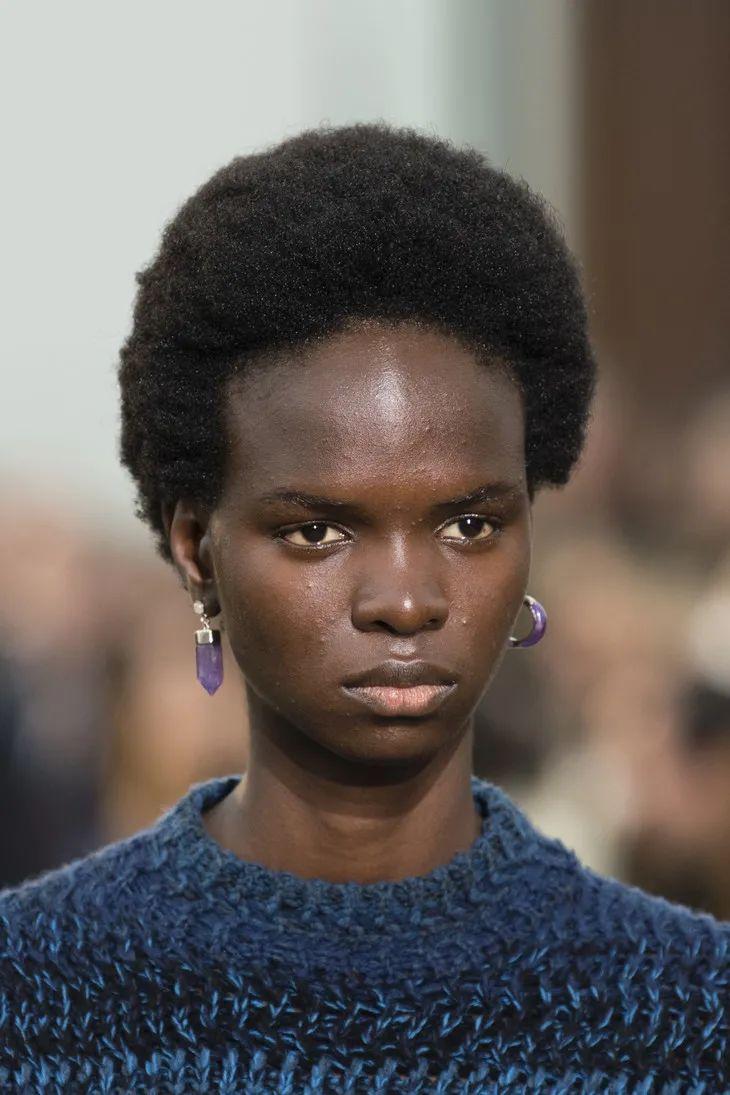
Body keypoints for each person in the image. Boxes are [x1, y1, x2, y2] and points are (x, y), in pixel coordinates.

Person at [0, 122, 726, 1093]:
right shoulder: (33, 997)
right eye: (317, 532)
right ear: (196, 549)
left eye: (468, 524)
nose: (406, 601)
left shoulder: (690, 1011)